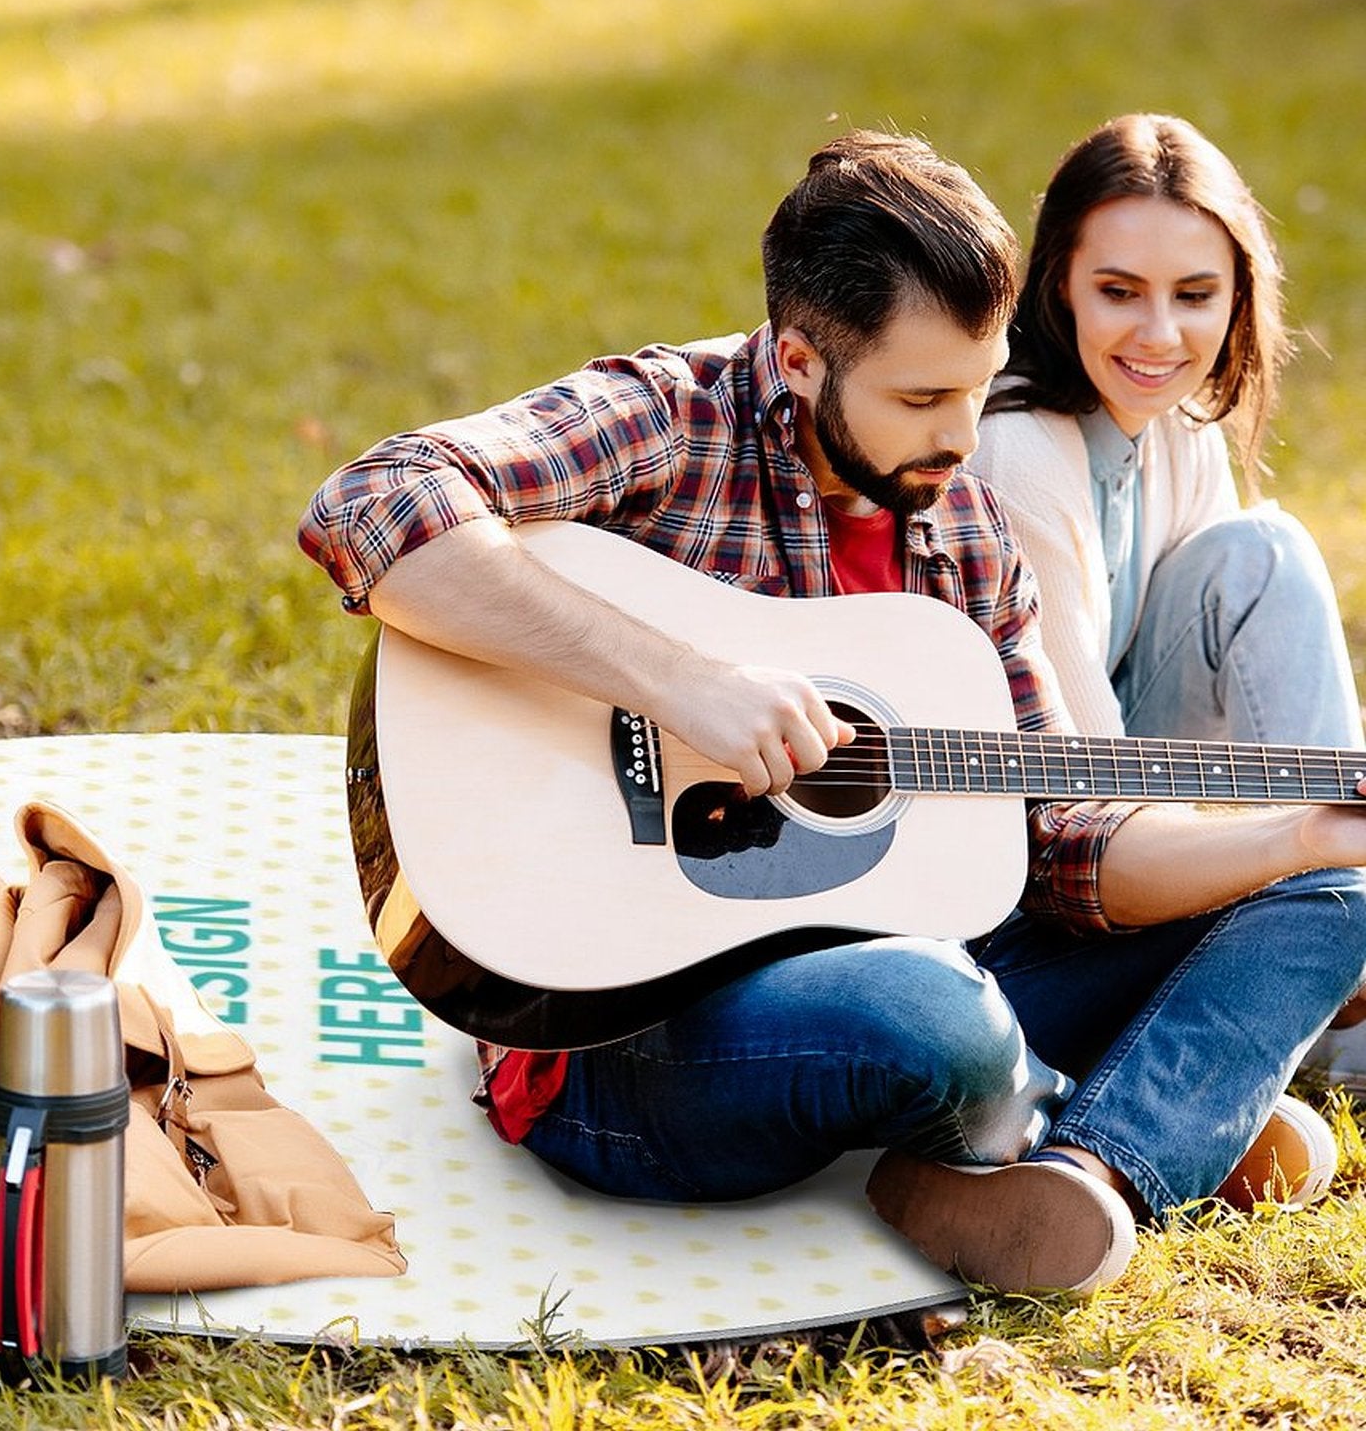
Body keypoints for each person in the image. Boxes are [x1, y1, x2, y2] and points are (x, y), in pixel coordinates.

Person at [298, 131, 1366, 1298]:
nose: (962, 437)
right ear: (800, 359)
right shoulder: (670, 418)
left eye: (979, 385)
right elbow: (374, 501)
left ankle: (1087, 1169)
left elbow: (1063, 841)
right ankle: (1145, 1108)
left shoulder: (964, 530)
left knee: (1332, 897)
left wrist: (1297, 834)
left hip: (928, 968)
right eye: (921, 397)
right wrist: (677, 681)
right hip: (626, 1036)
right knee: (931, 1014)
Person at [970, 113, 1366, 1086]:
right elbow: (1085, 792)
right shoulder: (1019, 450)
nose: (1159, 335)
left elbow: (1236, 681)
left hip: (1131, 807)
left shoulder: (1179, 426)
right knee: (1267, 552)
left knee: (1257, 553)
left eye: (1194, 295)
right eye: (1119, 292)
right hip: (1037, 871)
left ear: (1237, 297)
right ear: (1058, 283)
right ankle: (1329, 974)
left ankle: (1330, 943)